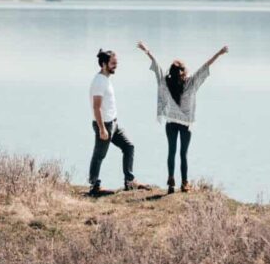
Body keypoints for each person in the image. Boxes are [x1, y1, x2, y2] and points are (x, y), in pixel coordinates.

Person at [136, 40, 228, 194]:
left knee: (171, 152)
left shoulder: (166, 83)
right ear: (184, 72)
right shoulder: (191, 83)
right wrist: (219, 53)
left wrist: (147, 51)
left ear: (171, 72)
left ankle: (171, 181)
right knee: (183, 154)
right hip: (185, 125)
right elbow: (206, 66)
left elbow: (157, 67)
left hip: (171, 123)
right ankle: (185, 184)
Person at [88, 48, 151, 195]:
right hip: (104, 125)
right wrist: (102, 129)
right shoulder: (99, 82)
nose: (116, 65)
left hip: (113, 124)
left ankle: (130, 182)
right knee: (99, 156)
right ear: (104, 64)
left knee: (129, 147)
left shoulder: (106, 79)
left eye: (116, 63)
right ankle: (94, 187)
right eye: (113, 63)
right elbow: (96, 107)